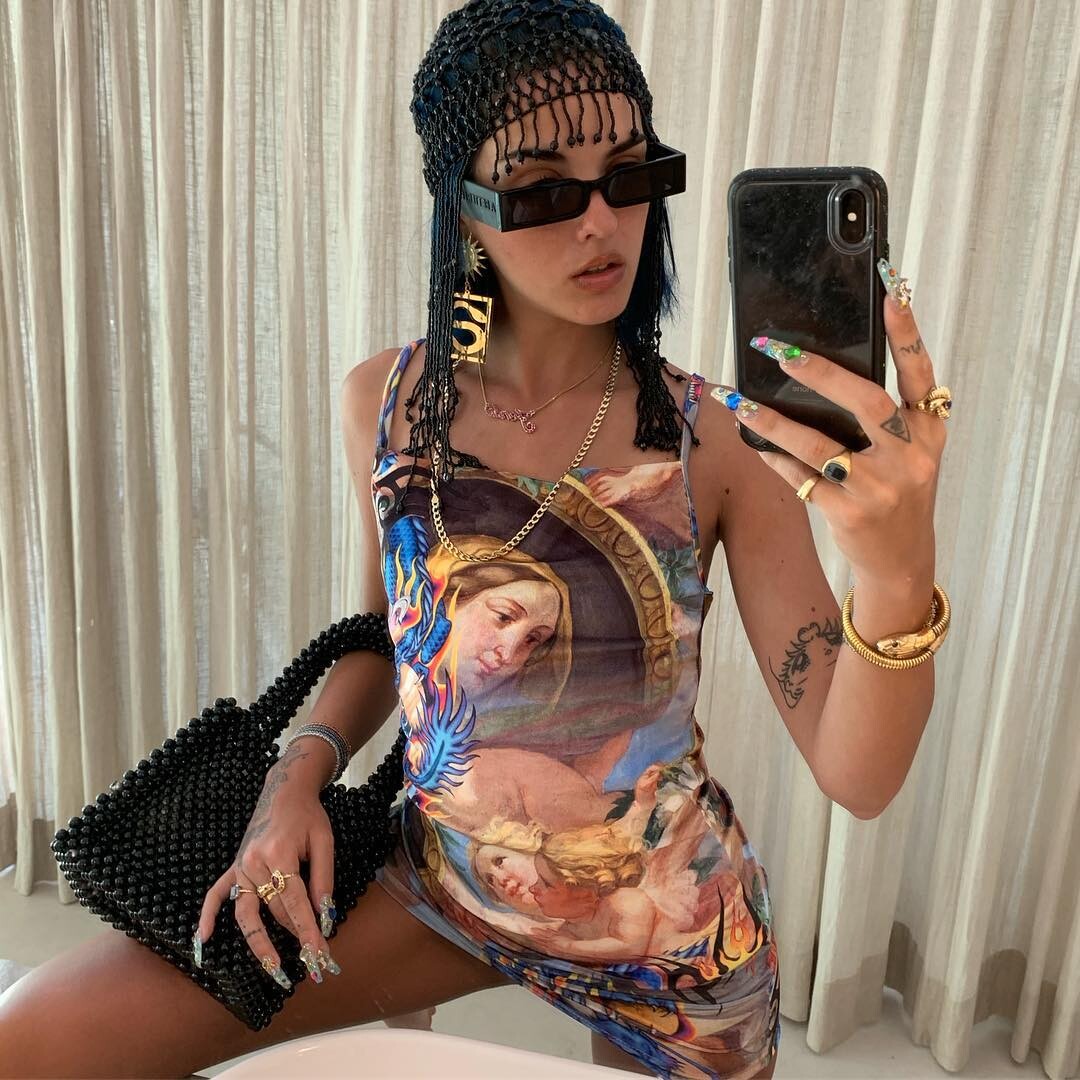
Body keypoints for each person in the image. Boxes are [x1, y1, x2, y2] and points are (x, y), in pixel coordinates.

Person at [2, 0, 947, 1075]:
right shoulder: (387, 400)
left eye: (629, 174)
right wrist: (295, 776)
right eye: (544, 188)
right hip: (441, 884)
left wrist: (898, 568)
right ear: (461, 205)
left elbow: (860, 775)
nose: (601, 223)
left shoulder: (718, 439)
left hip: (667, 935)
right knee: (39, 1037)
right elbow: (385, 633)